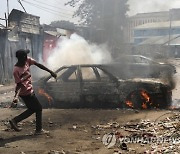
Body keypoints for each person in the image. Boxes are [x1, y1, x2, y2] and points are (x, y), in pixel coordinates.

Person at [9, 49, 57, 135]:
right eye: (25, 57)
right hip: (26, 93)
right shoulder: (16, 70)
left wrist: (50, 72)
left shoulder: (27, 60)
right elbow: (19, 84)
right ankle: (38, 130)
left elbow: (39, 65)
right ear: (21, 58)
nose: (27, 58)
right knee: (38, 108)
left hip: (29, 90)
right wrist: (15, 97)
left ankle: (15, 121)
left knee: (32, 109)